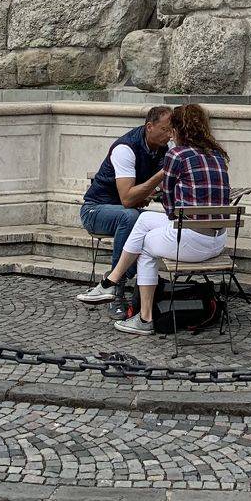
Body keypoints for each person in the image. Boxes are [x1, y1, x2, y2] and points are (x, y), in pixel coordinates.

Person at [94, 102, 231, 337]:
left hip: (194, 243)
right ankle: (112, 280)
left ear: (179, 129)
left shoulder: (177, 155)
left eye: (172, 129)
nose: (169, 135)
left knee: (146, 245)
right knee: (144, 221)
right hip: (218, 240)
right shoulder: (217, 155)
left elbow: (169, 209)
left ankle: (144, 318)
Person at [77, 105, 174, 314]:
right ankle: (116, 290)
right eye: (165, 129)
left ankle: (132, 286)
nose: (170, 135)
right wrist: (160, 176)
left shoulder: (163, 149)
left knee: (154, 223)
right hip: (95, 210)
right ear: (150, 127)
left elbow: (154, 189)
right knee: (130, 217)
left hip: (126, 211)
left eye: (172, 130)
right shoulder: (126, 148)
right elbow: (128, 199)